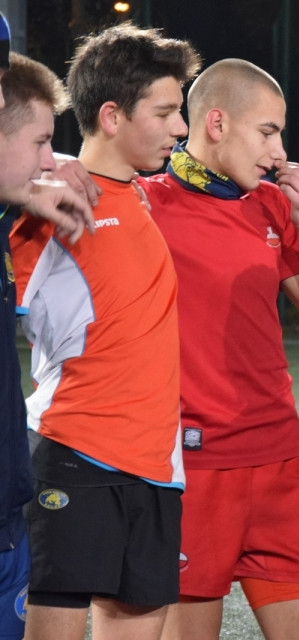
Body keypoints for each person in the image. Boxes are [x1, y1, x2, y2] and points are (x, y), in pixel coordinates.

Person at [137, 58, 299, 640]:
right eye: (267, 132)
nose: (279, 152)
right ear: (217, 123)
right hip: (193, 469)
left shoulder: (272, 205)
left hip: (278, 461)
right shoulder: (145, 203)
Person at [9, 23, 200, 640]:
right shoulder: (44, 209)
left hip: (158, 468)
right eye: (165, 113)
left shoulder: (145, 197)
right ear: (112, 116)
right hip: (73, 454)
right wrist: (40, 180)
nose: (180, 128)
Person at [0, 29, 97, 640]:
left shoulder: (9, 213)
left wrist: (42, 176)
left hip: (9, 515)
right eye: (40, 142)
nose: (49, 159)